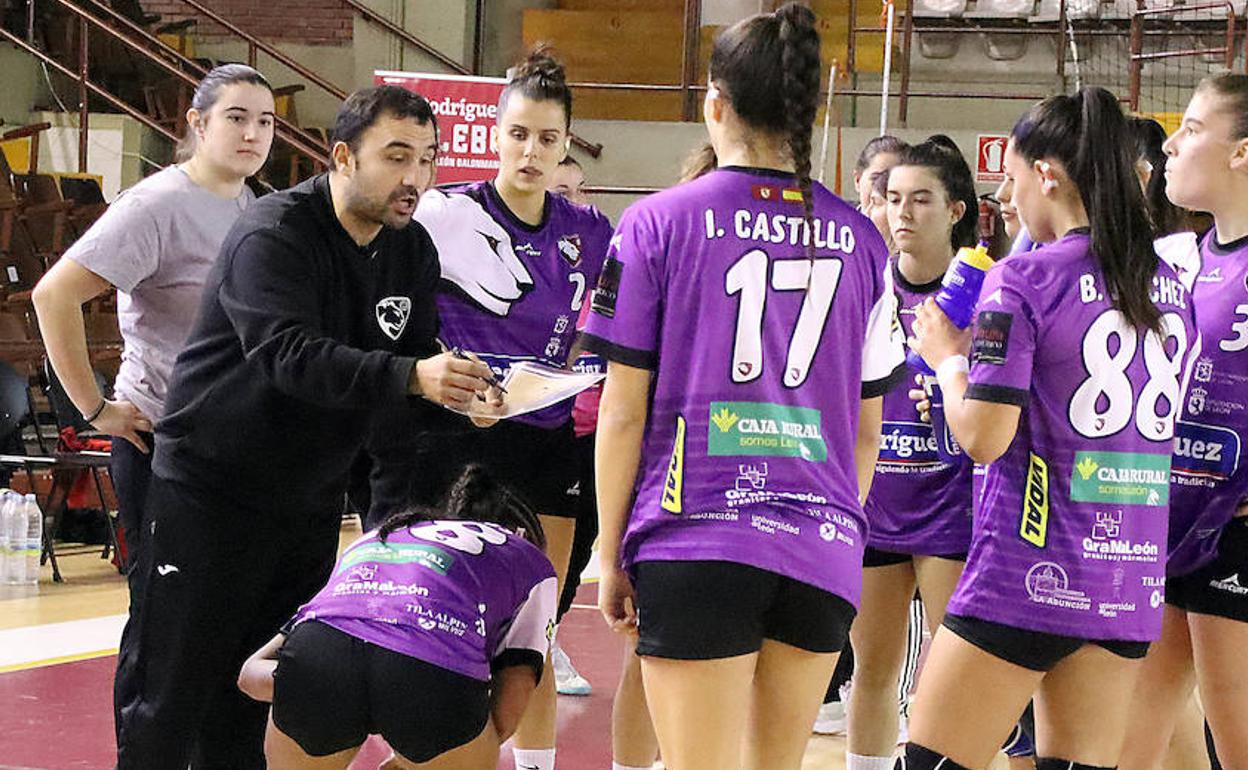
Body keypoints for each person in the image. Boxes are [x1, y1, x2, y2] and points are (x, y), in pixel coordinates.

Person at [113, 86, 498, 770]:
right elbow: (289, 355)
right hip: (210, 492)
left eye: (429, 159)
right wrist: (414, 376)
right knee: (170, 691)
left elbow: (399, 397)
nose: (416, 178)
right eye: (397, 156)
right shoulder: (274, 234)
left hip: (307, 503)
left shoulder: (411, 254)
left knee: (262, 690)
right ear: (344, 156)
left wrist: (449, 409)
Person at [584, 5, 906, 769]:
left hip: (694, 535)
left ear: (714, 104)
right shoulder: (863, 239)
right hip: (821, 543)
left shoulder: (654, 224)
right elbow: (867, 430)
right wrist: (837, 522)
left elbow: (623, 412)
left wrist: (610, 550)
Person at [903, 86, 1199, 770]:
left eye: (1009, 179)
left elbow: (982, 437)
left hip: (1027, 572)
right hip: (1126, 579)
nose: (1007, 200)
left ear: (1047, 175)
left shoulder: (1026, 278)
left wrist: (949, 361)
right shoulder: (1169, 285)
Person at [366, 47, 613, 770]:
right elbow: (401, 320)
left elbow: (601, 334)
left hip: (549, 442)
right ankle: (422, 755)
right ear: (494, 135)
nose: (530, 152)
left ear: (567, 143)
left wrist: (576, 371)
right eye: (518, 135)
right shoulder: (443, 217)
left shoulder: (592, 232)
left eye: (547, 138)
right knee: (445, 617)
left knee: (535, 623)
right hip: (454, 443)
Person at [31, 62, 276, 745]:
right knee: (165, 629)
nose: (253, 132)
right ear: (196, 124)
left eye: (265, 121)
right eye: (236, 117)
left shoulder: (259, 206)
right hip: (161, 444)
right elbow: (55, 296)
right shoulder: (157, 204)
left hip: (238, 452)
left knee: (237, 623)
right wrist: (95, 407)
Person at [237, 466, 557, 770]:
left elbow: (250, 675)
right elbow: (510, 707)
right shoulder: (529, 559)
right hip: (429, 674)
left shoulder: (380, 537)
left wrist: (309, 685)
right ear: (522, 532)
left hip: (320, 657)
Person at [1119, 73, 1248, 770]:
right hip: (1172, 525)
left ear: (1243, 153)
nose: (1172, 144)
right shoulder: (1184, 261)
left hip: (1237, 535)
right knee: (1127, 743)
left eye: (1193, 129)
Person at [845, 135, 978, 770]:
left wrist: (957, 379)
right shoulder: (866, 287)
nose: (903, 213)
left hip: (952, 504)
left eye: (921, 199)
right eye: (893, 198)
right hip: (875, 500)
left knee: (947, 664)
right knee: (873, 666)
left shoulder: (987, 291)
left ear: (955, 209)